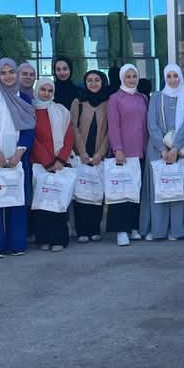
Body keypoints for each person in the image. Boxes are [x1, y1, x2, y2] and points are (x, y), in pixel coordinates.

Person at [0, 58, 36, 258]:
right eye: (3, 73)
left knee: (16, 199)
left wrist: (19, 152)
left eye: (11, 72)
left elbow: (29, 127)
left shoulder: (24, 97)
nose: (8, 76)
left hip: (18, 157)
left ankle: (17, 243)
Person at [142, 63, 184, 241]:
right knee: (159, 188)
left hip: (180, 150)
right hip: (157, 150)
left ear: (180, 77)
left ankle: (177, 229)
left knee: (177, 188)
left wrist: (175, 148)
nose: (172, 79)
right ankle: (158, 230)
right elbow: (152, 124)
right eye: (169, 76)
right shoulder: (156, 97)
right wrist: (163, 148)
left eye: (175, 76)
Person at [30, 77, 75, 252]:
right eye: (43, 90)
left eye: (50, 90)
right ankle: (43, 238)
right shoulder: (30, 111)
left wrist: (60, 160)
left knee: (58, 203)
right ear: (37, 90)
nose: (46, 93)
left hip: (60, 164)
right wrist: (47, 161)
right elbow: (32, 139)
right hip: (39, 164)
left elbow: (69, 137)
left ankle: (59, 239)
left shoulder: (61, 111)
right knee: (42, 203)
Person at [107, 63, 149, 246]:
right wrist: (117, 148)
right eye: (128, 76)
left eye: (134, 76)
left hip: (140, 151)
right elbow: (113, 125)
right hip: (123, 152)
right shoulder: (115, 98)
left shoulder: (142, 98)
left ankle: (133, 226)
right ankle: (121, 230)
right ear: (122, 78)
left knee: (135, 191)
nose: (132, 79)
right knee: (121, 192)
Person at [70, 69, 111, 243]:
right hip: (82, 155)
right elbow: (73, 128)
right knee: (81, 193)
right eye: (89, 80)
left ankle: (95, 228)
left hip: (99, 155)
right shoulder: (78, 102)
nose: (93, 83)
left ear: (103, 82)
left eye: (97, 80)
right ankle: (82, 230)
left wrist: (100, 153)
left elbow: (110, 131)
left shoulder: (108, 102)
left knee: (96, 193)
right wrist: (82, 152)